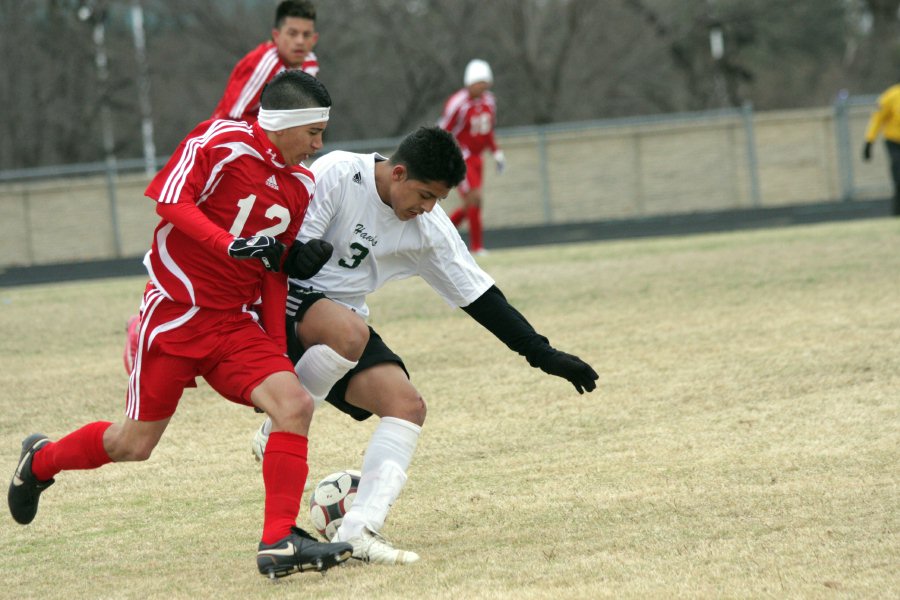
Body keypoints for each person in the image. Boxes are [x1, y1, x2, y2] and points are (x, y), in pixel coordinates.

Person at [8, 70, 353, 580]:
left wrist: (280, 328)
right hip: (175, 313)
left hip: (233, 325)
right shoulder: (220, 141)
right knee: (133, 444)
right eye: (313, 132)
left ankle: (278, 541)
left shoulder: (300, 185)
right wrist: (228, 245)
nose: (318, 145)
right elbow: (170, 201)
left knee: (294, 403)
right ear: (284, 124)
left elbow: (271, 272)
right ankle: (40, 462)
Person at [250, 126, 599, 565]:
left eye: (438, 199)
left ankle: (359, 532)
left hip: (340, 333)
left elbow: (478, 295)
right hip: (283, 307)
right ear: (397, 173)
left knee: (408, 406)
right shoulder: (340, 173)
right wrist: (300, 256)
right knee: (350, 332)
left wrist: (541, 353)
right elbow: (293, 248)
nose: (429, 208)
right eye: (425, 195)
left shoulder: (428, 227)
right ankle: (279, 422)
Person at [211, 0, 320, 124]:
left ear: (314, 39)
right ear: (276, 36)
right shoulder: (263, 64)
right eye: (292, 34)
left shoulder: (310, 64)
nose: (300, 41)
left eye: (306, 35)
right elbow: (231, 119)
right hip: (227, 138)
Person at [438, 59, 505, 255]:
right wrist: (448, 154)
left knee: (474, 202)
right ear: (469, 82)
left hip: (477, 157)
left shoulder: (489, 101)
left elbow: (488, 130)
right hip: (461, 157)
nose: (482, 86)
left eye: (485, 82)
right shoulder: (459, 102)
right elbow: (443, 129)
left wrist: (497, 152)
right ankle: (471, 245)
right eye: (478, 82)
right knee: (474, 197)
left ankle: (447, 237)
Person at [862, 83, 900, 216]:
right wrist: (869, 141)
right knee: (898, 175)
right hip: (895, 142)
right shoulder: (891, 96)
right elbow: (877, 119)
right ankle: (897, 211)